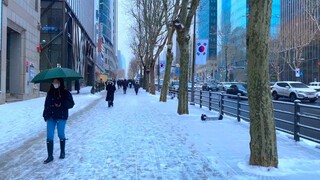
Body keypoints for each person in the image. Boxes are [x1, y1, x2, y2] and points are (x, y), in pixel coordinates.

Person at [42, 78, 75, 164]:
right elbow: (46, 104)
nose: (55, 83)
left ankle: (62, 152)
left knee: (61, 134)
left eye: (57, 82)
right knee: (49, 136)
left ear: (60, 82)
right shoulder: (50, 92)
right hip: (51, 116)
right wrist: (45, 114)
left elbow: (71, 104)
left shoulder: (65, 92)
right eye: (54, 82)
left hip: (61, 116)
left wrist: (62, 101)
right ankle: (50, 156)